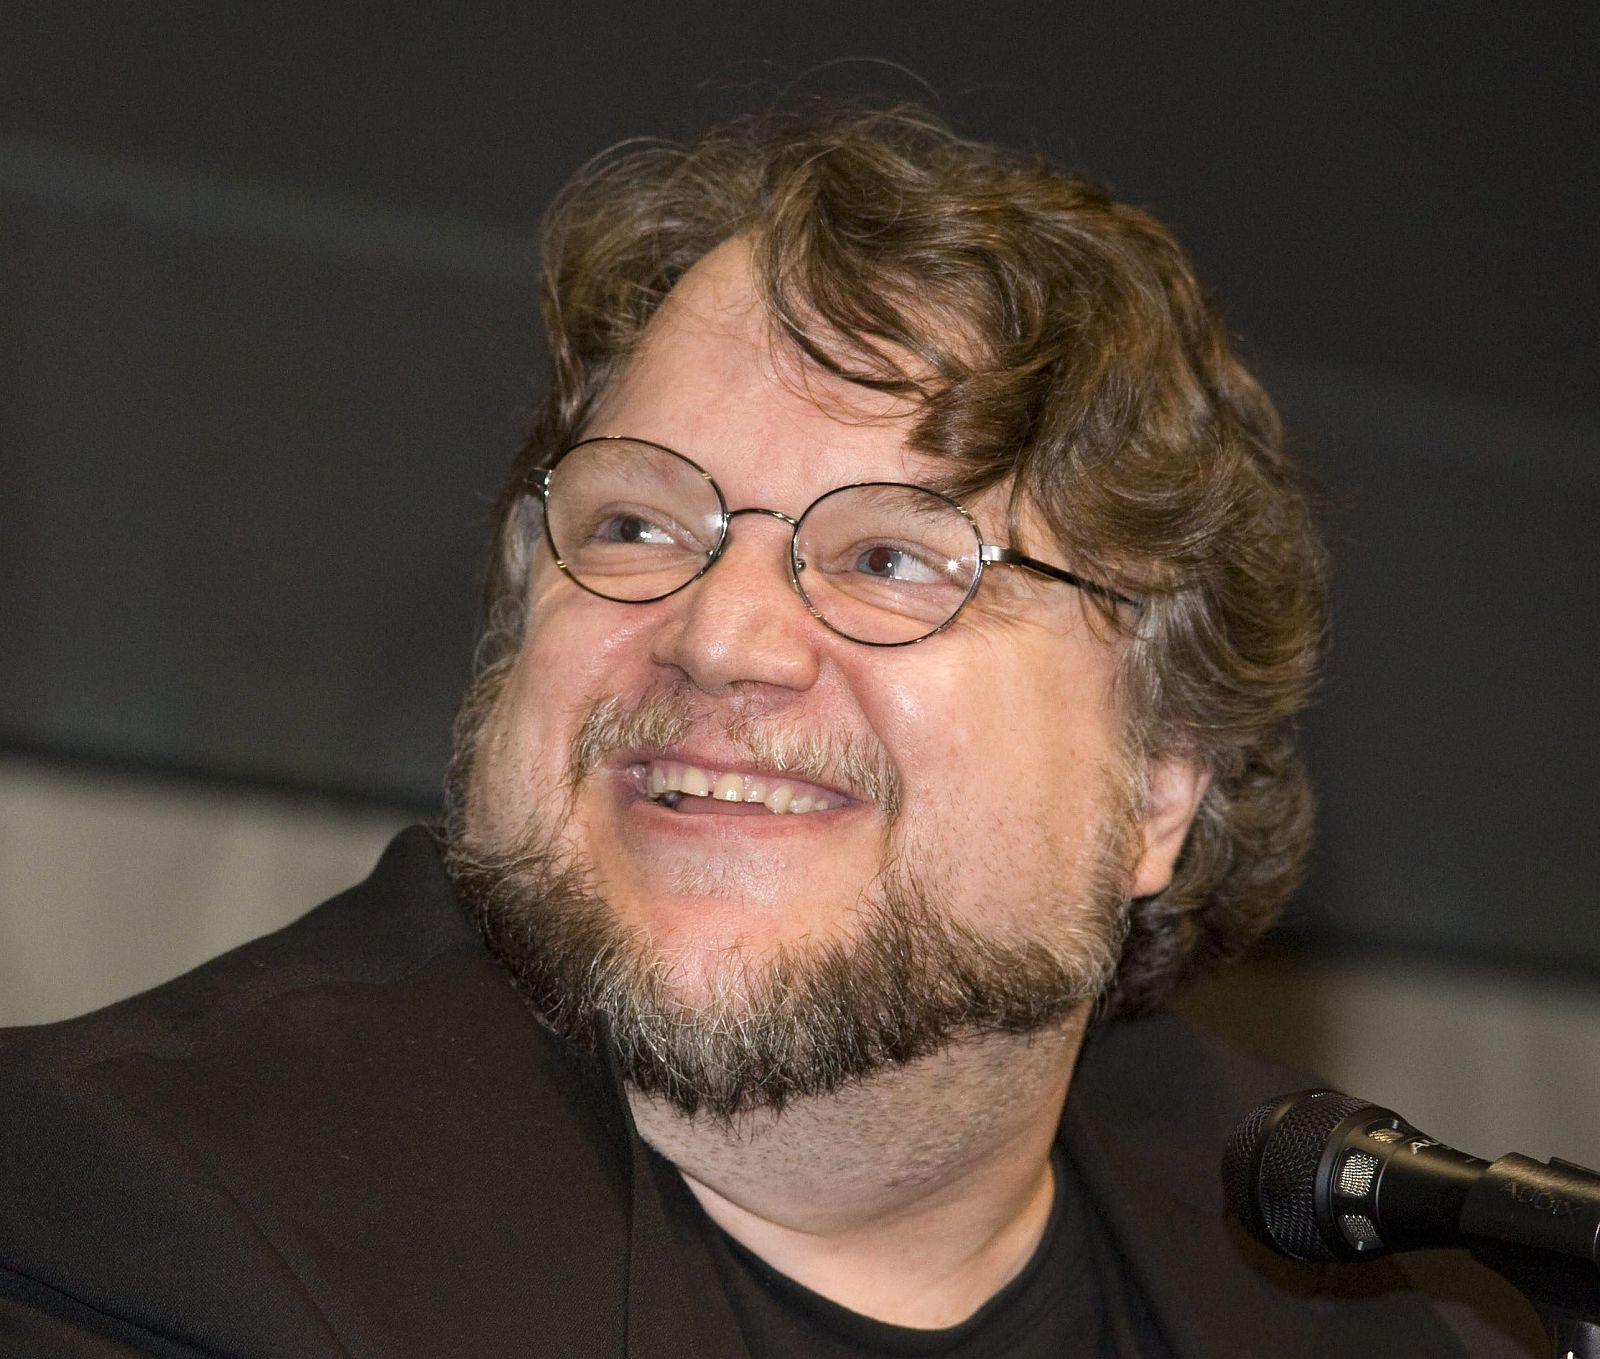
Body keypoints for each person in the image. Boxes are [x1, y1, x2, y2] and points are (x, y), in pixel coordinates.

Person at [0, 107, 1537, 1357]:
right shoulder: (140, 1219)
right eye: (638, 525)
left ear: (1157, 789)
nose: (721, 635)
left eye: (890, 558)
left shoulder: (1391, 1315)